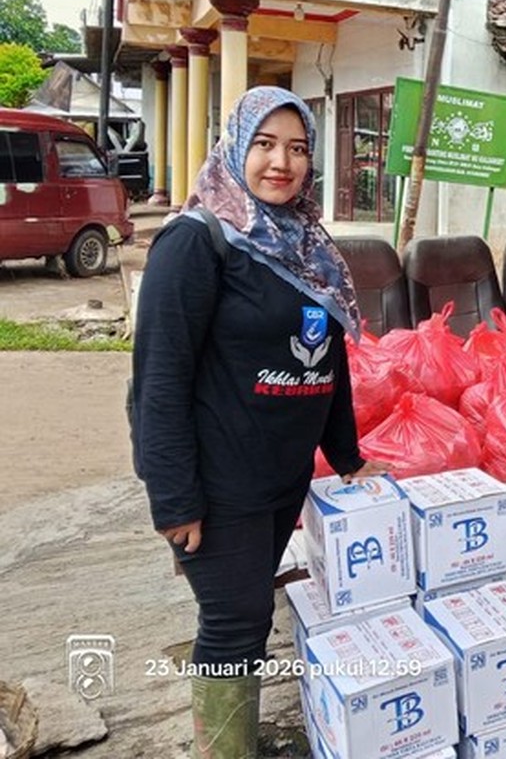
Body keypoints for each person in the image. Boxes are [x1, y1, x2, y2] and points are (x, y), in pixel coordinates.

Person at [132, 86, 389, 755]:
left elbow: (326, 365)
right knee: (234, 624)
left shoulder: (306, 248)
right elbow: (158, 383)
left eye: (298, 148)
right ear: (235, 148)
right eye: (265, 144)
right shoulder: (195, 242)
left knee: (246, 620)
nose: (283, 162)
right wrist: (174, 500)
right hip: (219, 488)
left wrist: (349, 456)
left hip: (283, 479)